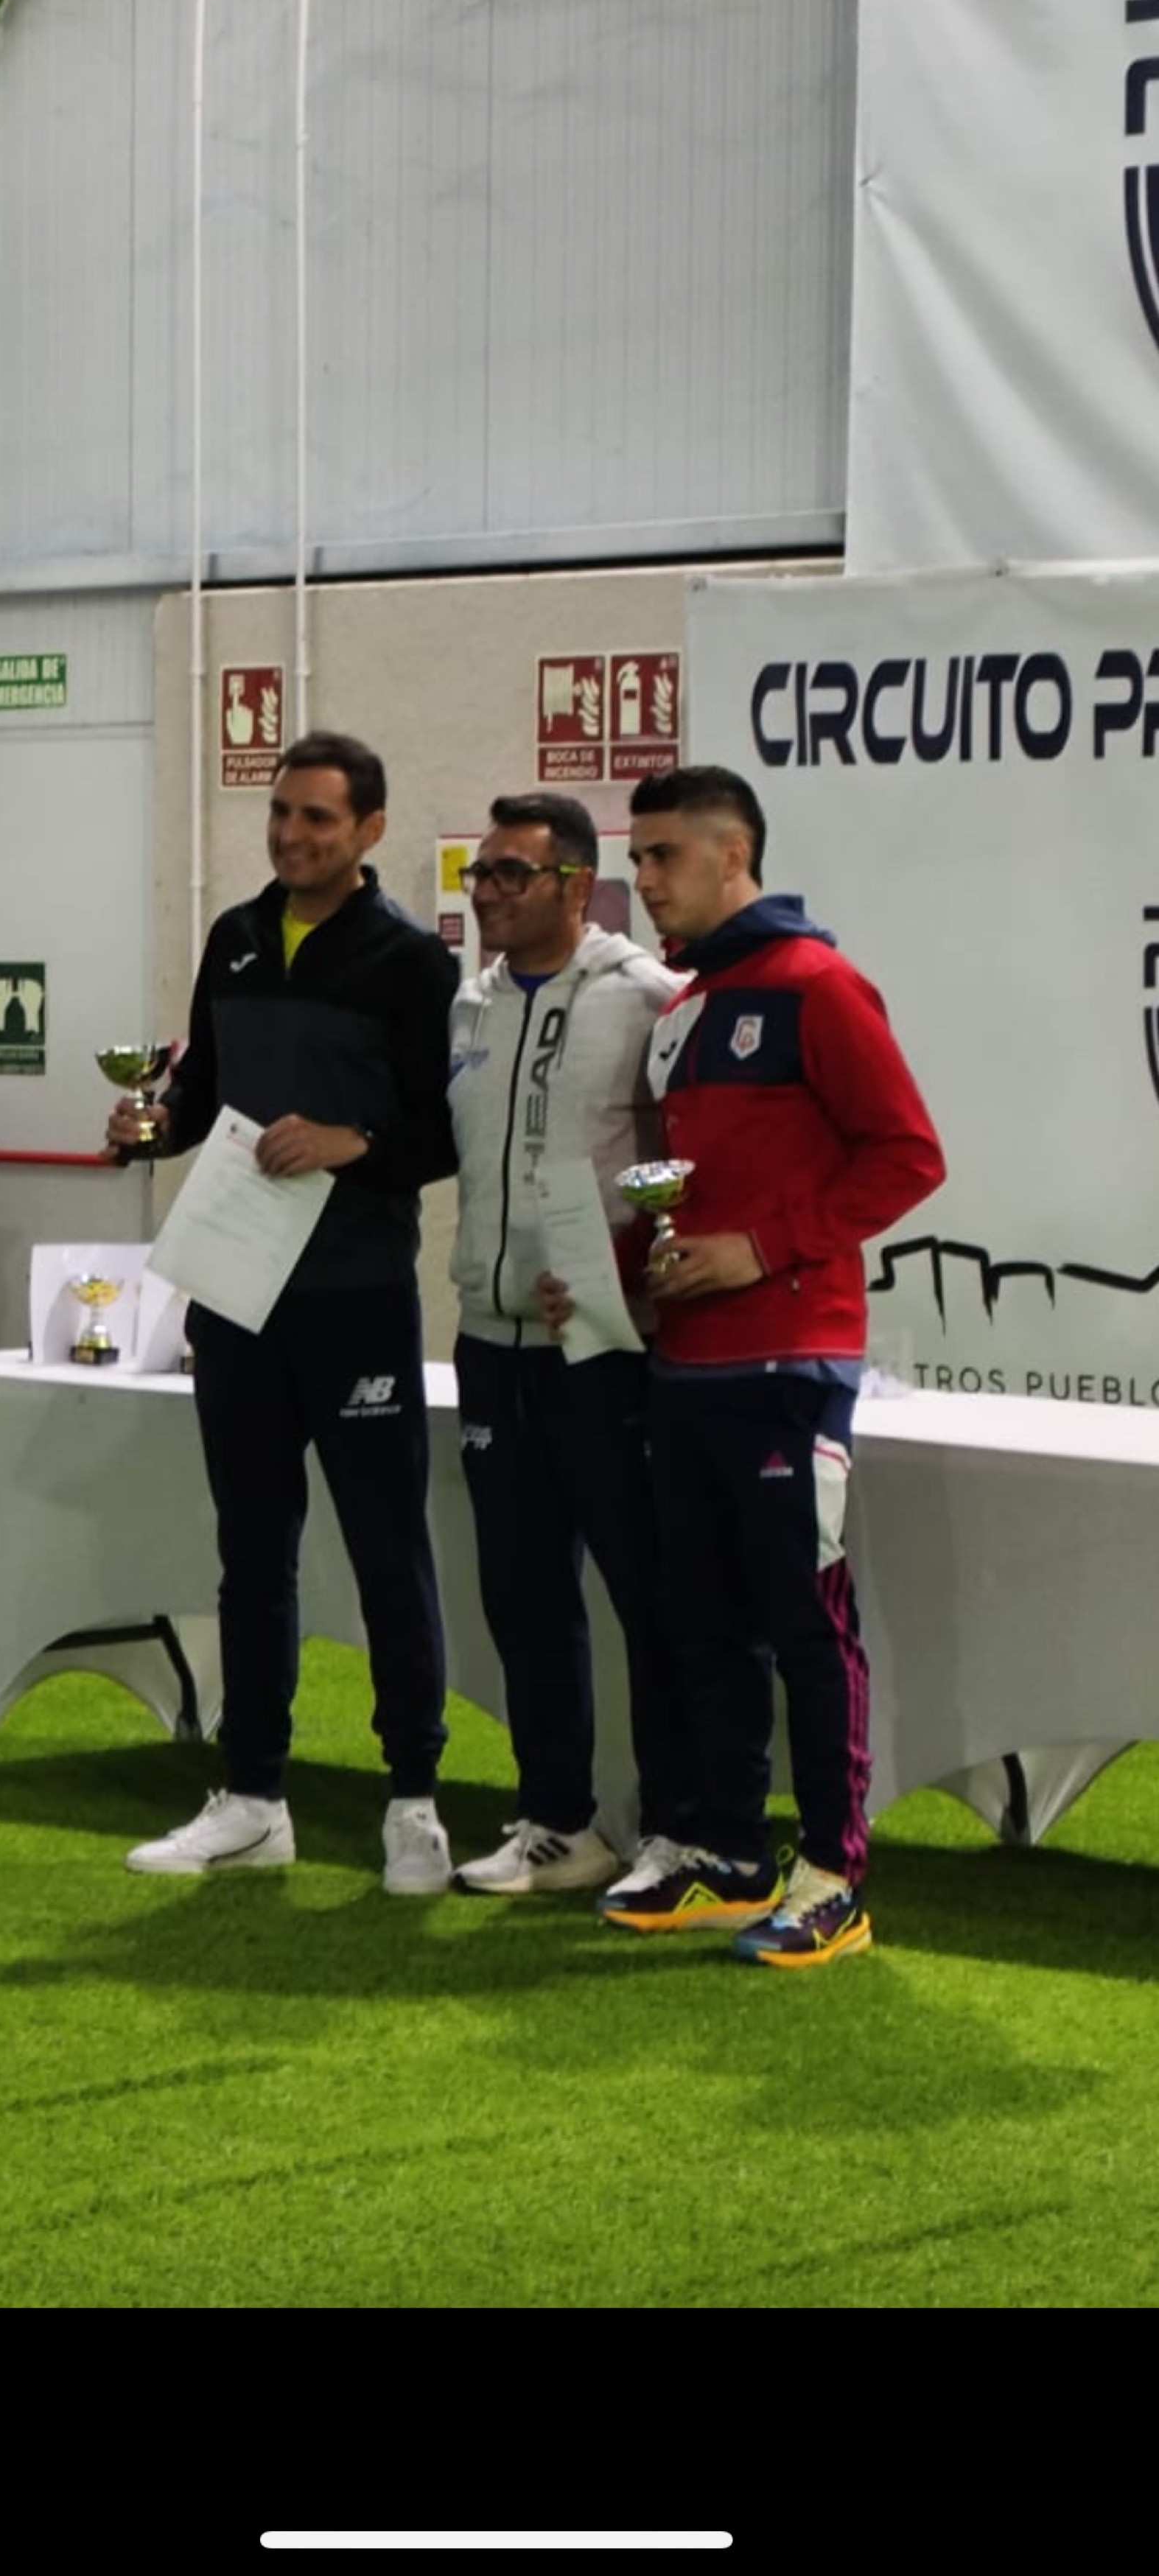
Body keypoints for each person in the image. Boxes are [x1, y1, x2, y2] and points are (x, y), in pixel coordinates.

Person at [587, 763, 945, 1967]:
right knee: (700, 1620)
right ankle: (729, 1853)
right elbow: (683, 1194)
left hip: (792, 1363)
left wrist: (758, 1250)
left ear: (732, 854)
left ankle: (836, 1876)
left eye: (663, 857)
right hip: (684, 1363)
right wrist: (623, 1268)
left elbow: (908, 1156)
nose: (643, 881)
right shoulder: (686, 1008)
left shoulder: (818, 985)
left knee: (804, 1625)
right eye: (636, 859)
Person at [111, 732, 458, 1895]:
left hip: (356, 1300)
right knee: (251, 1553)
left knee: (387, 1553)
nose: (292, 836)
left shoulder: (410, 961)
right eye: (281, 814)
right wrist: (151, 1127)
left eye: (318, 818)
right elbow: (202, 1094)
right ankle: (254, 1797)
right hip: (236, 1298)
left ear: (369, 831)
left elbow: (442, 1133)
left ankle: (414, 1802)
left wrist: (353, 1142)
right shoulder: (235, 939)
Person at [447, 791, 697, 1895]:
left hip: (603, 1344)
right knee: (523, 1593)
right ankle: (558, 1820)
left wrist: (634, 1273)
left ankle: (674, 1828)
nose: (489, 893)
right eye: (482, 874)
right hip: (489, 1336)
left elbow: (695, 1159)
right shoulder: (471, 1004)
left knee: (648, 1591)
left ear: (577, 885)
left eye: (513, 873)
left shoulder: (645, 997)